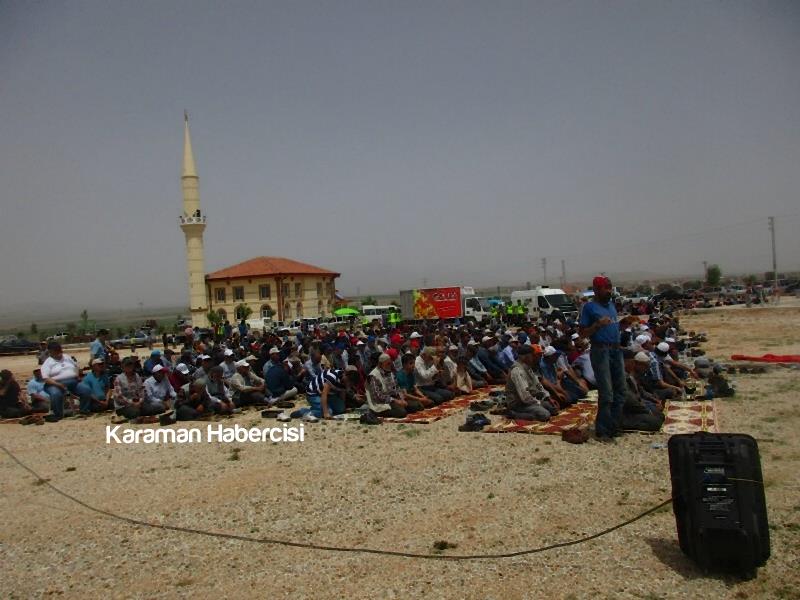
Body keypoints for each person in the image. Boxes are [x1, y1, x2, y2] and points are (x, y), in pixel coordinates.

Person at [578, 275, 637, 441]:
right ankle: (602, 430)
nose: (609, 291)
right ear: (597, 289)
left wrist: (623, 324)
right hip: (600, 351)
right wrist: (597, 325)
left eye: (610, 287)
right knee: (607, 392)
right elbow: (582, 333)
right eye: (606, 288)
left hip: (615, 350)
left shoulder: (611, 306)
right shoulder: (589, 308)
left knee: (621, 390)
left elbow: (613, 327)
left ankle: (614, 425)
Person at [505, 345, 557, 421]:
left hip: (530, 401)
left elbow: (538, 385)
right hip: (518, 403)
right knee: (545, 415)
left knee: (552, 408)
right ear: (525, 357)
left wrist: (548, 398)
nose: (534, 358)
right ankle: (514, 414)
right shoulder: (517, 370)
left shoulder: (528, 367)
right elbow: (525, 396)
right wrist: (538, 403)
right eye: (532, 355)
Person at [366, 353, 417, 418]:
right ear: (380, 364)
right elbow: (378, 397)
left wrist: (401, 399)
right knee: (402, 413)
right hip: (381, 403)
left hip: (393, 399)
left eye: (390, 363)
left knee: (416, 406)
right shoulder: (373, 376)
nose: (390, 366)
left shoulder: (389, 373)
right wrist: (395, 401)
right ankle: (376, 413)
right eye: (388, 364)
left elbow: (396, 388)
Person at [40, 342, 81, 420]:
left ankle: (84, 410)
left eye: (60, 350)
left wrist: (77, 375)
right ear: (51, 352)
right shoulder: (47, 363)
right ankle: (57, 414)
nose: (60, 352)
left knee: (85, 389)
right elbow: (46, 378)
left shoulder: (67, 357)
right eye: (57, 350)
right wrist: (58, 384)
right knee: (56, 394)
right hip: (54, 384)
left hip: (72, 381)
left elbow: (76, 366)